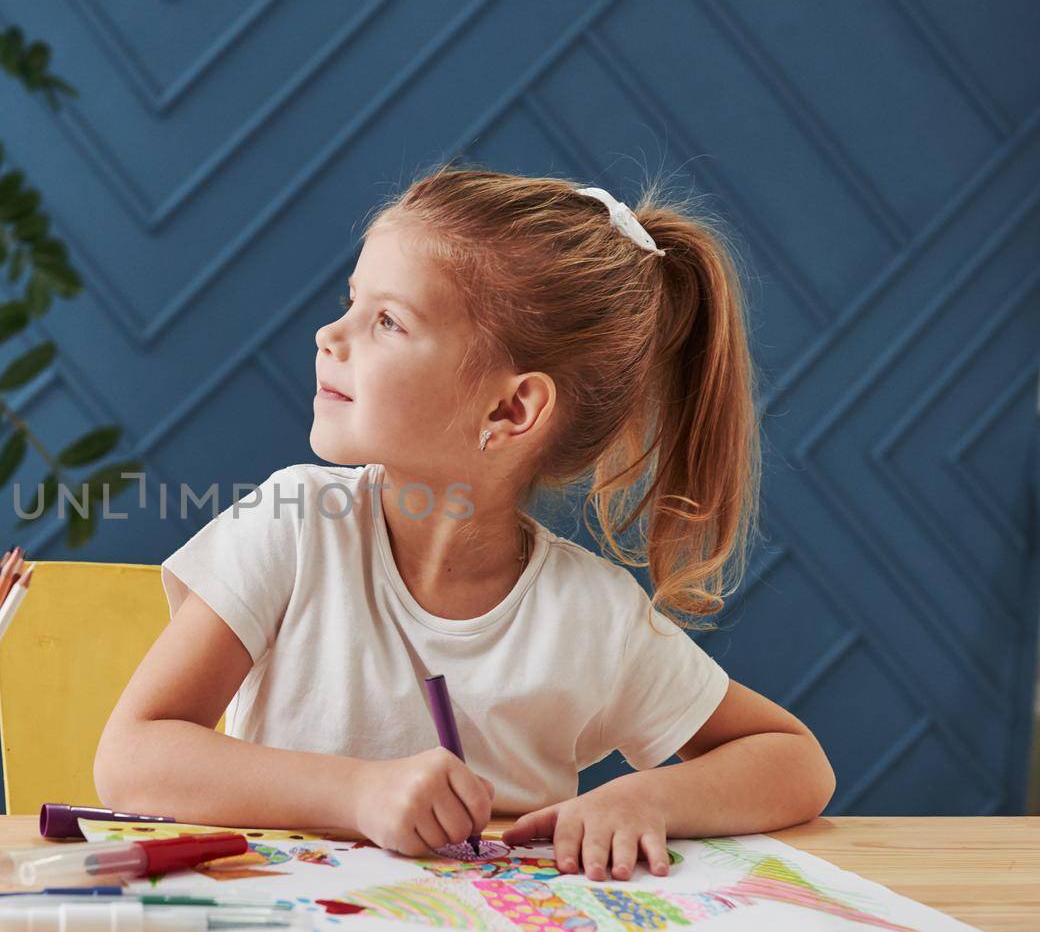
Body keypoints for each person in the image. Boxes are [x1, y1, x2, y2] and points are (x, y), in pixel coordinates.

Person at [94, 162, 835, 881]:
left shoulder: (591, 616)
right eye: (351, 301)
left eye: (387, 321)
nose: (331, 334)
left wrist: (649, 796)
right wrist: (358, 793)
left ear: (510, 411)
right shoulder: (294, 528)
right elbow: (133, 757)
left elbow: (793, 761)